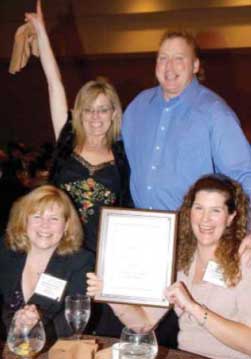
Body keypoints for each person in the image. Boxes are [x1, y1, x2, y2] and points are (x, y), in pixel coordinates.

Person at [25, 0, 132, 338]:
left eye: (104, 109)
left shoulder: (124, 155)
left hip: (102, 261)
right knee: (54, 325)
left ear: (114, 113)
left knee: (100, 330)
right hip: (57, 253)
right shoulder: (66, 142)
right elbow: (54, 85)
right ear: (79, 113)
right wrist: (42, 33)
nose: (96, 117)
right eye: (89, 110)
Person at [87, 174, 251, 359]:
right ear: (189, 212)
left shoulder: (245, 261)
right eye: (199, 208)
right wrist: (110, 292)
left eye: (215, 211)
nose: (205, 219)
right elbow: (145, 324)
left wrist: (193, 307)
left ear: (230, 217)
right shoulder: (180, 262)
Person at [122, 31, 251, 217]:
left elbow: (245, 175)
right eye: (163, 58)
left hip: (194, 234)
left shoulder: (215, 113)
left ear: (195, 65)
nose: (169, 66)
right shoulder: (138, 107)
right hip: (143, 229)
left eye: (179, 58)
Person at [0, 185, 94, 340]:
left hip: (53, 347)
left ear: (66, 225)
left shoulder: (80, 261)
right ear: (24, 221)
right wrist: (15, 326)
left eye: (54, 218)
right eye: (37, 217)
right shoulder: (5, 251)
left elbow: (72, 321)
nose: (45, 225)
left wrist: (36, 330)